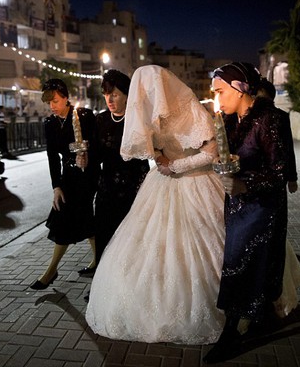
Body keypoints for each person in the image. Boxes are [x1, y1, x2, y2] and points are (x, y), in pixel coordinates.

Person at [85, 65, 227, 345]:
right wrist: (160, 155)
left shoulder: (190, 107)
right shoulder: (150, 117)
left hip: (196, 183)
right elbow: (150, 150)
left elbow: (213, 151)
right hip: (162, 184)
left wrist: (177, 165)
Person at [203, 62, 300, 363]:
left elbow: (278, 172)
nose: (217, 98)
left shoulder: (269, 120)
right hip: (237, 206)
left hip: (262, 209)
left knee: (241, 263)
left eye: (220, 91)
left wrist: (243, 185)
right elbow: (230, 158)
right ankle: (258, 315)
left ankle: (231, 332)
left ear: (239, 88)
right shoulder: (231, 122)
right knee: (243, 263)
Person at [29, 78, 99, 290]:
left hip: (87, 175)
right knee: (83, 219)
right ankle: (99, 261)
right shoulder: (50, 123)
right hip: (68, 177)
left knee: (67, 218)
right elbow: (52, 157)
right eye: (49, 102)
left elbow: (97, 144)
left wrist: (88, 154)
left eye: (56, 100)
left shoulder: (84, 116)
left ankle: (51, 271)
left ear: (66, 98)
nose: (52, 106)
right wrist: (56, 186)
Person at [78, 70, 149, 273]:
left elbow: (146, 156)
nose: (109, 99)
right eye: (106, 94)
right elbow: (96, 157)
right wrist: (84, 158)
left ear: (128, 95)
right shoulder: (100, 120)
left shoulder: (138, 120)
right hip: (107, 190)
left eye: (115, 94)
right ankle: (101, 284)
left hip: (133, 191)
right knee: (104, 236)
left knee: (128, 240)